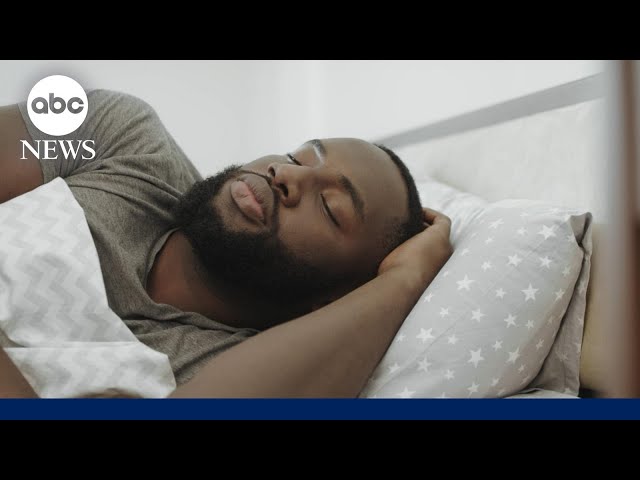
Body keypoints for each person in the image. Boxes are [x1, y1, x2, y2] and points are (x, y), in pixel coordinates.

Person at [0, 89, 452, 398]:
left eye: (330, 207)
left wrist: (403, 280)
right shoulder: (126, 138)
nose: (285, 174)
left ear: (337, 297)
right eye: (297, 157)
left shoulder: (233, 369)